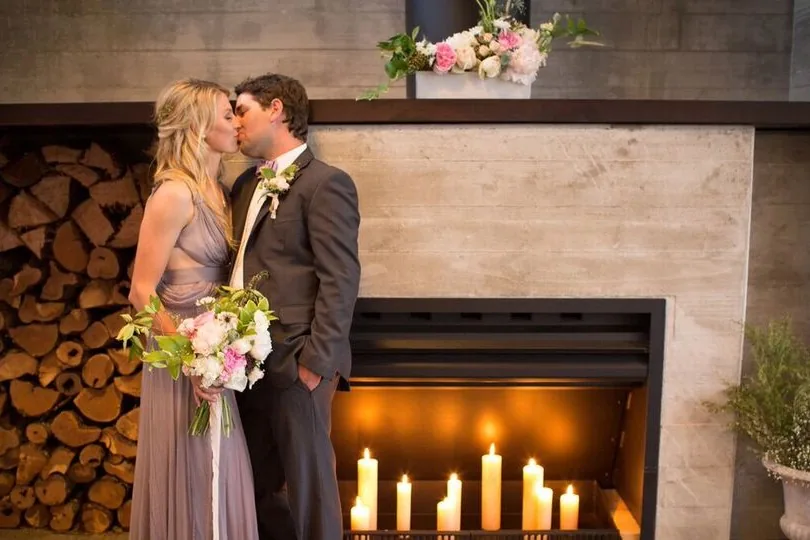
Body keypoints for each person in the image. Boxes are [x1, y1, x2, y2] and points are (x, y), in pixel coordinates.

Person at [229, 73, 361, 540]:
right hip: (240, 363)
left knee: (309, 492)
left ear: (277, 109)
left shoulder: (327, 184)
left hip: (296, 360)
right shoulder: (245, 184)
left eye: (242, 110)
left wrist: (315, 364)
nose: (234, 122)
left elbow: (340, 278)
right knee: (258, 489)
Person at [128, 78, 259, 540]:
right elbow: (141, 293)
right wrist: (189, 361)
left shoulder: (220, 192)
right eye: (227, 114)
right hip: (179, 355)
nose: (236, 122)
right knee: (188, 467)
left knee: (220, 468)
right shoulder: (173, 194)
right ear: (201, 127)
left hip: (215, 352)